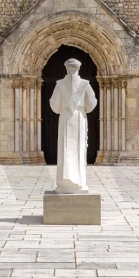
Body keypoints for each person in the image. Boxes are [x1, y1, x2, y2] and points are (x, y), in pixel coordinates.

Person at [49, 58, 98, 193]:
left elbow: (54, 104)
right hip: (79, 117)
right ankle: (80, 182)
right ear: (78, 68)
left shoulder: (59, 84)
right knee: (79, 149)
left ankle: (64, 182)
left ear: (66, 68)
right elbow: (92, 103)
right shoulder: (85, 84)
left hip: (65, 117)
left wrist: (65, 109)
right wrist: (81, 109)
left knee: (65, 149)